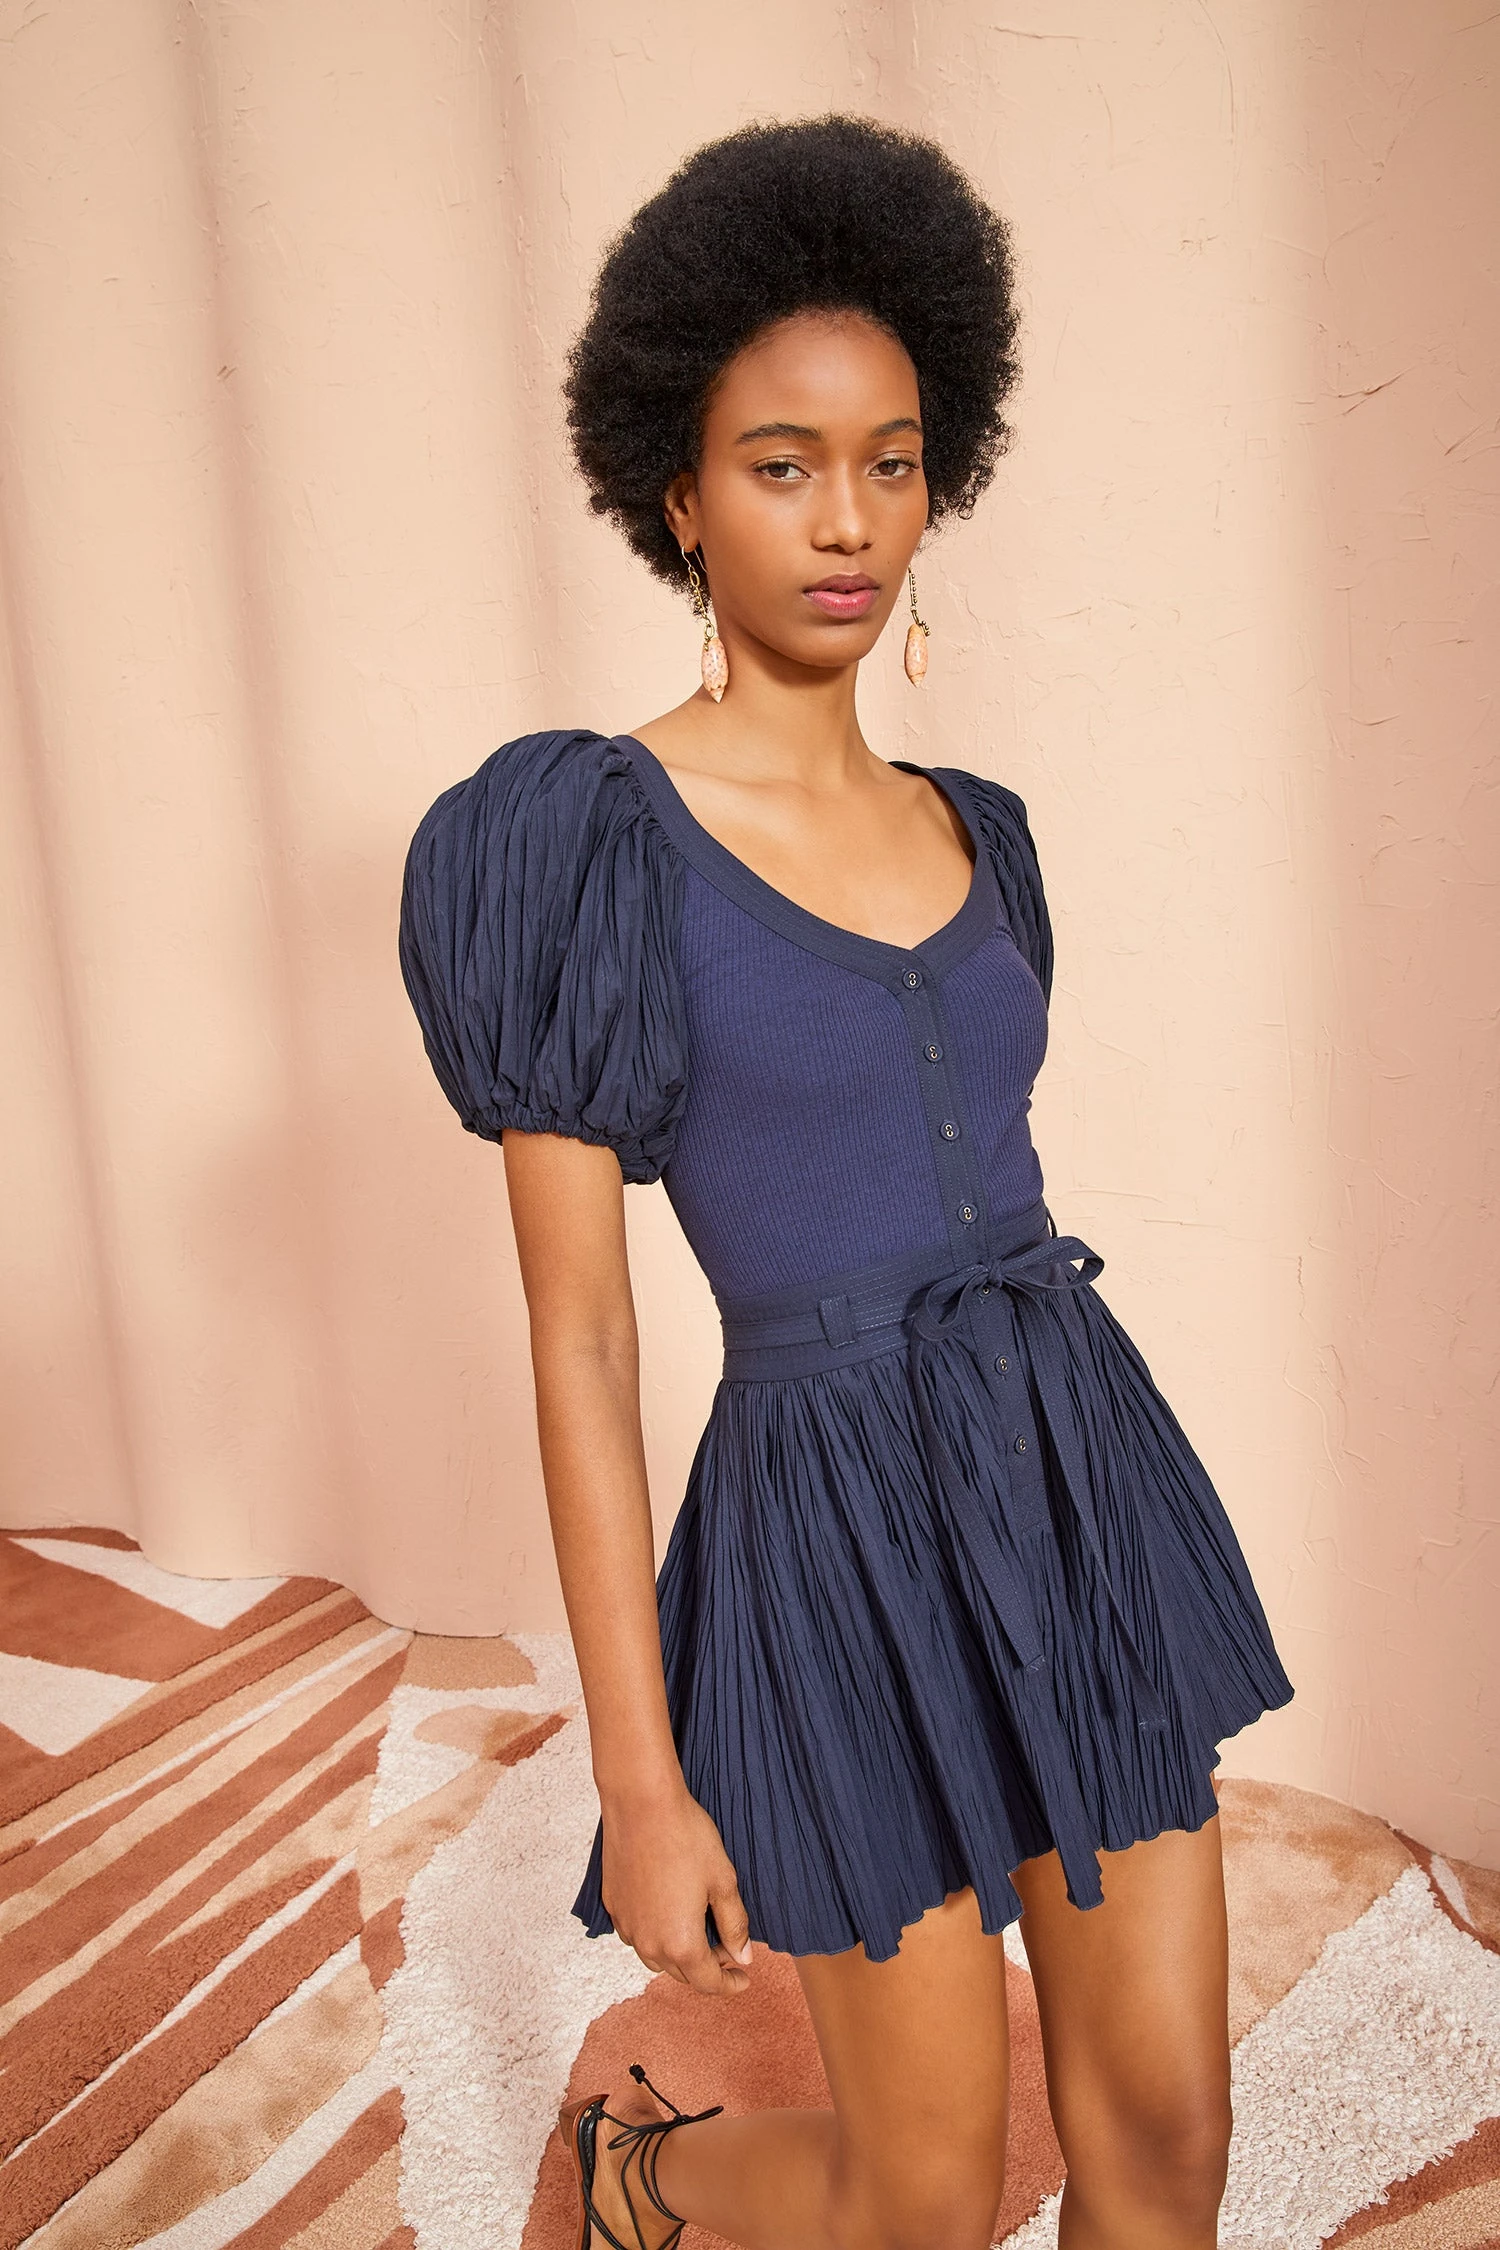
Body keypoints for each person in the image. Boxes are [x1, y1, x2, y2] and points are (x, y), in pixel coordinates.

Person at [399, 114, 1295, 2250]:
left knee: (1168, 2137)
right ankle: (648, 2172)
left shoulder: (988, 829)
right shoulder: (581, 845)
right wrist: (642, 1779)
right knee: (927, 2193)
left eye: (890, 462)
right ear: (679, 493)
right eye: (781, 463)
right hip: (832, 1533)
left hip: (1073, 1471)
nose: (845, 519)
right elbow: (582, 1339)